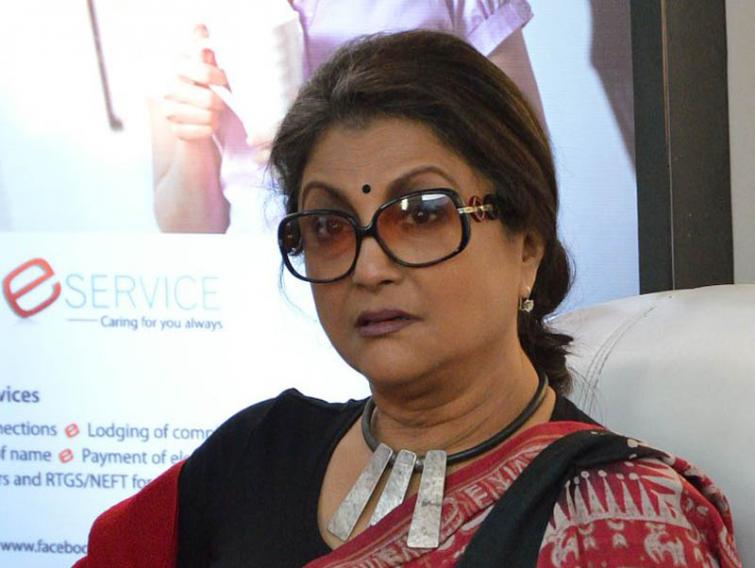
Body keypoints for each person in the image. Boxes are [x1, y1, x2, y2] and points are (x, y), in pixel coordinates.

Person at [76, 31, 742, 567]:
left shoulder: (617, 522)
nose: (369, 267)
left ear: (527, 246)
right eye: (328, 226)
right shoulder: (255, 454)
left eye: (421, 214)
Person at [151, 0, 545, 233]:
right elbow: (187, 231)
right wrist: (193, 140)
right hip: (259, 296)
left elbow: (526, 166)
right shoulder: (178, 13)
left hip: (416, 262)